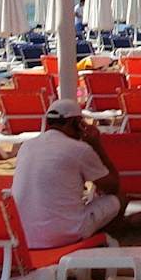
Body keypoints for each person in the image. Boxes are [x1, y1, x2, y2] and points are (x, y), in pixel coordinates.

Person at [9, 98, 125, 249]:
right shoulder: (79, 149)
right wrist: (97, 146)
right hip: (63, 235)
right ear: (75, 123)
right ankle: (100, 240)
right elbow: (113, 186)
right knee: (120, 198)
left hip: (24, 236)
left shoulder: (26, 146)